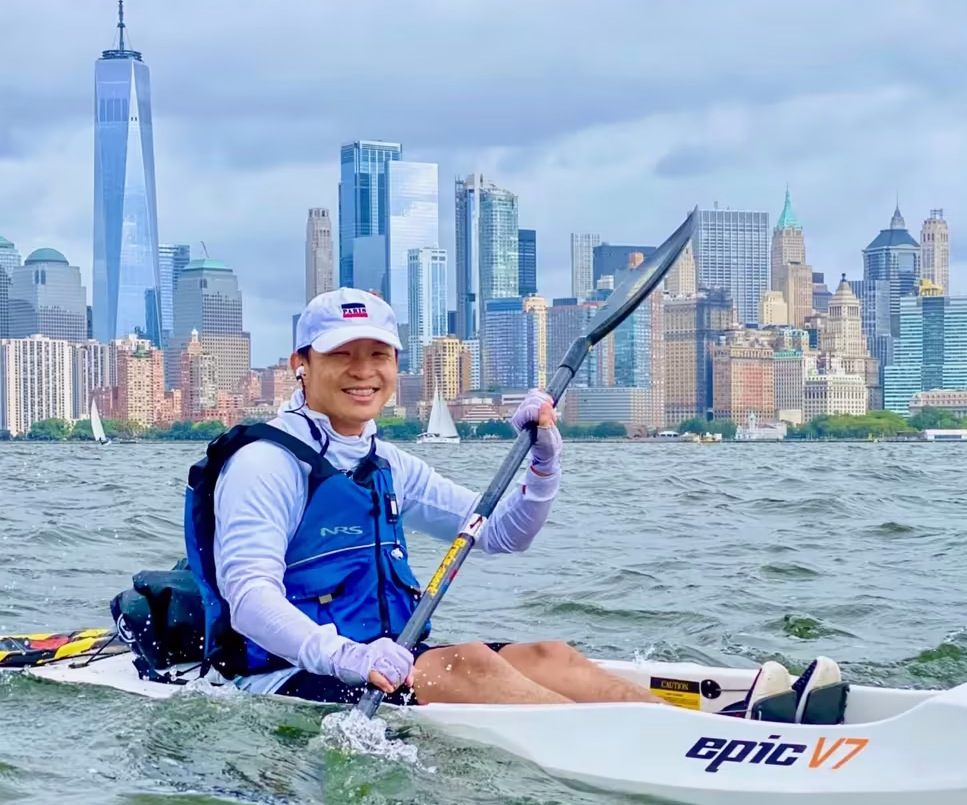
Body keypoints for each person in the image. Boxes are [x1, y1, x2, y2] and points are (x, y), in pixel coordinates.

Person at [184, 287, 843, 721]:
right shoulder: (265, 463)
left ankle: (695, 729)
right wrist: (350, 658)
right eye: (342, 356)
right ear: (301, 362)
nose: (364, 371)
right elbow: (249, 599)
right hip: (286, 680)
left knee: (549, 654)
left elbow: (500, 532)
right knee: (464, 663)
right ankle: (664, 741)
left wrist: (545, 460)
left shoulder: (384, 463)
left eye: (378, 355)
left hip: (386, 666)